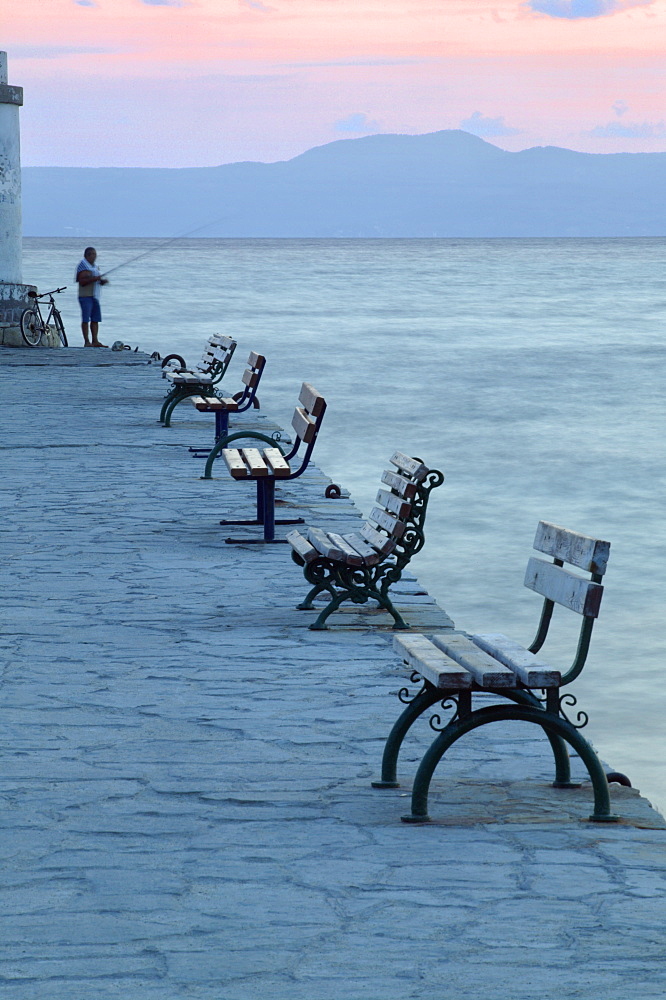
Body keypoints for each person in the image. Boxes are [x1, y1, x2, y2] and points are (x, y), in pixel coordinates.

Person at [76, 247, 109, 347]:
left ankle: (95, 340)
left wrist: (101, 281)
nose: (94, 256)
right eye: (92, 254)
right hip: (85, 296)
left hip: (95, 296)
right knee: (86, 319)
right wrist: (95, 279)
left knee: (95, 319)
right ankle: (87, 341)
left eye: (95, 254)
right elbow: (82, 282)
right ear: (86, 255)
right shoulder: (83, 266)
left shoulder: (94, 266)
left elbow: (96, 279)